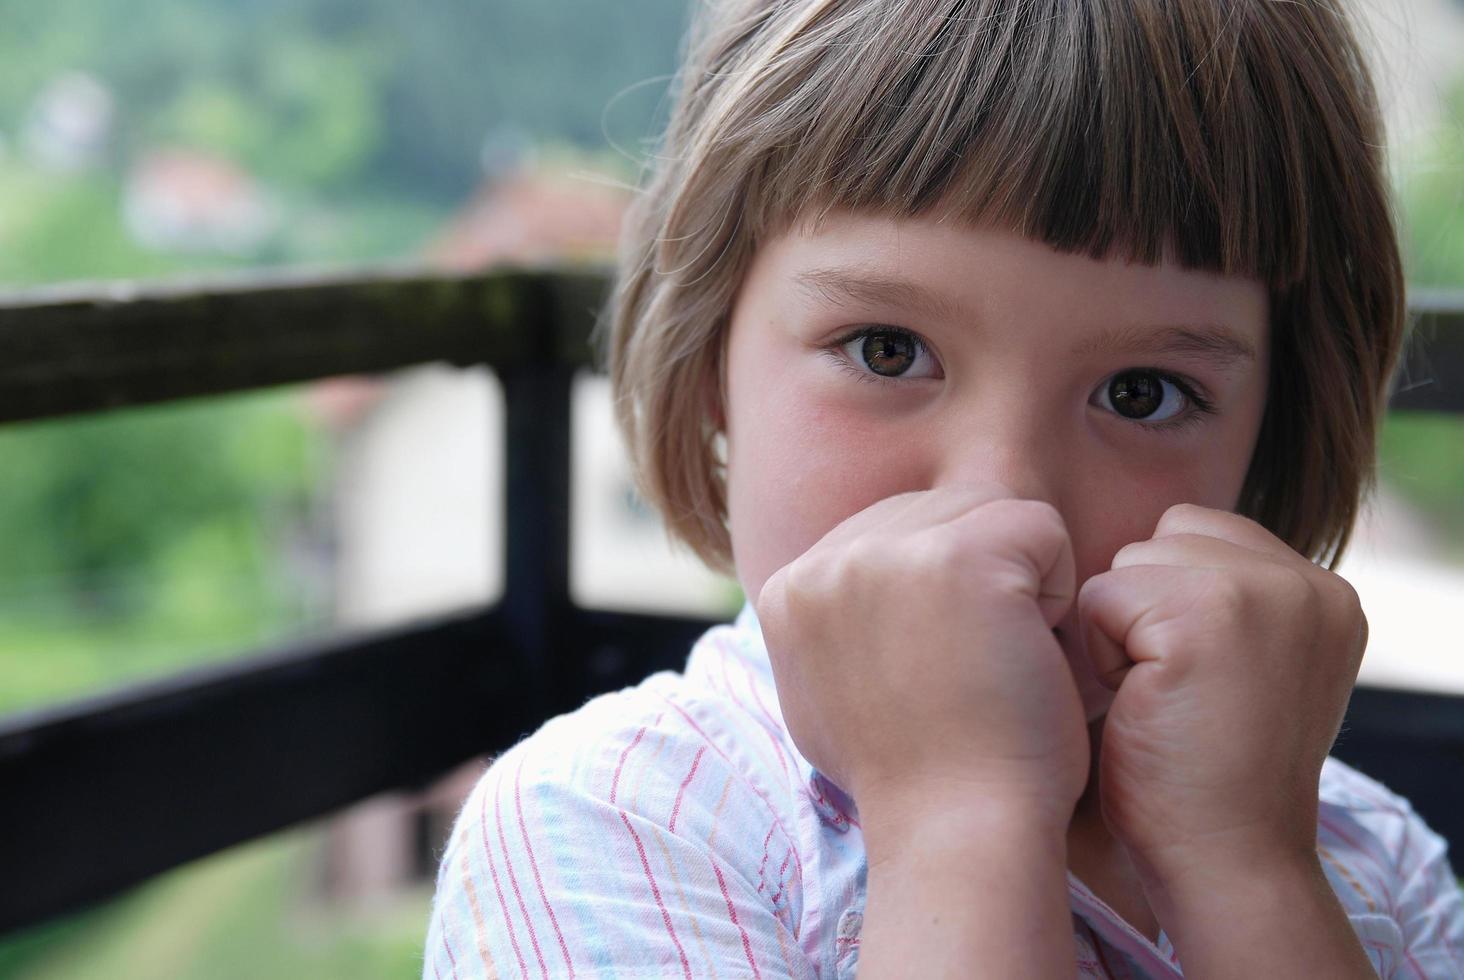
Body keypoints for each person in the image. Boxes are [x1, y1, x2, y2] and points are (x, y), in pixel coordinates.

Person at [422, 0, 1464, 976]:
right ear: (710, 365)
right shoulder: (604, 823)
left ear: (1271, 432)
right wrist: (957, 818)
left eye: (1143, 393)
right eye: (886, 349)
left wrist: (1250, 872)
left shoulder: (1365, 857)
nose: (1010, 502)